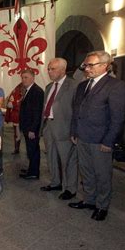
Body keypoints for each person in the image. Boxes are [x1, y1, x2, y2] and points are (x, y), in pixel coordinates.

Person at [69, 50, 125, 221]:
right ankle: (89, 200)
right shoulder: (82, 86)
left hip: (101, 140)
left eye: (90, 65)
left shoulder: (115, 86)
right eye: (85, 65)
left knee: (102, 174)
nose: (86, 68)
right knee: (86, 172)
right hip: (82, 137)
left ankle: (102, 205)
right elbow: (76, 111)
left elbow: (118, 118)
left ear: (104, 66)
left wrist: (109, 141)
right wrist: (74, 131)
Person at [40, 58, 78, 200]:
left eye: (53, 69)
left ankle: (70, 188)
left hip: (65, 129)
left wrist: (74, 131)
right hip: (49, 127)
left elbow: (77, 110)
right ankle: (55, 182)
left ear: (63, 70)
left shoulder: (73, 86)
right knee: (51, 157)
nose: (49, 71)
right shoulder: (49, 87)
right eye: (49, 68)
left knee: (67, 160)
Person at [19, 69, 44, 179]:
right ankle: (31, 168)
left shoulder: (37, 92)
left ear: (33, 78)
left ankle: (34, 172)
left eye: (26, 77)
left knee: (33, 150)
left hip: (31, 128)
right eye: (22, 77)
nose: (24, 80)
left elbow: (38, 112)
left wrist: (33, 129)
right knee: (30, 149)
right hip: (27, 126)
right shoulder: (28, 90)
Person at [5, 83, 24, 154]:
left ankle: (17, 148)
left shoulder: (26, 91)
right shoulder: (16, 90)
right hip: (16, 116)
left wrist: (14, 105)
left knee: (22, 134)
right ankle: (16, 148)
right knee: (17, 133)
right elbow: (10, 103)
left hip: (23, 116)